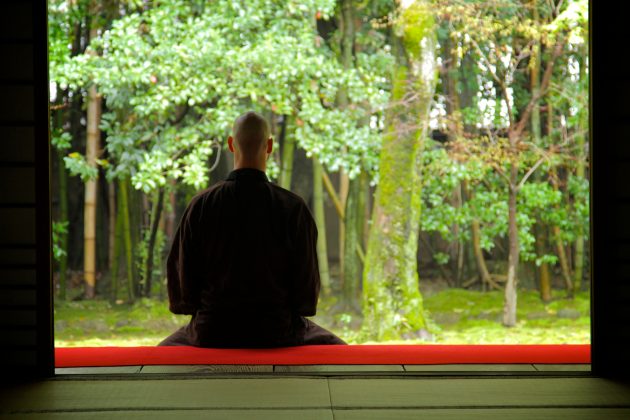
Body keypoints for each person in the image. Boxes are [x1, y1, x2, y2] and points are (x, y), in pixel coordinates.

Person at [159, 111, 346, 347]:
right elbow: (305, 300)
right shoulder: (293, 208)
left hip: (212, 331)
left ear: (230, 144)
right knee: (342, 352)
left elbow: (183, 297)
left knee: (159, 355)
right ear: (269, 146)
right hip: (278, 331)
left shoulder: (201, 205)